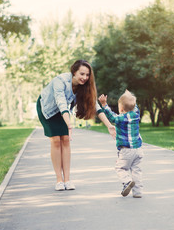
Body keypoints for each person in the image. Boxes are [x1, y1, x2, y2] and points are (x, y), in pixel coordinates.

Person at [36, 60, 116, 191]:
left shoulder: (83, 86)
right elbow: (61, 102)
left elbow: (94, 105)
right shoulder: (60, 81)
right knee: (56, 140)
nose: (84, 78)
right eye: (82, 74)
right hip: (47, 109)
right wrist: (69, 124)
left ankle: (67, 179)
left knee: (66, 140)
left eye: (87, 75)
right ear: (74, 72)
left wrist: (109, 125)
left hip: (63, 112)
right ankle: (59, 180)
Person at [98, 90, 143, 197]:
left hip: (126, 150)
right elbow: (135, 106)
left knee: (120, 168)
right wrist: (130, 96)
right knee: (136, 170)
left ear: (121, 109)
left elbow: (111, 116)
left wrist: (104, 105)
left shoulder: (120, 119)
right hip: (139, 150)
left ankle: (127, 181)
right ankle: (138, 192)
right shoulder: (136, 114)